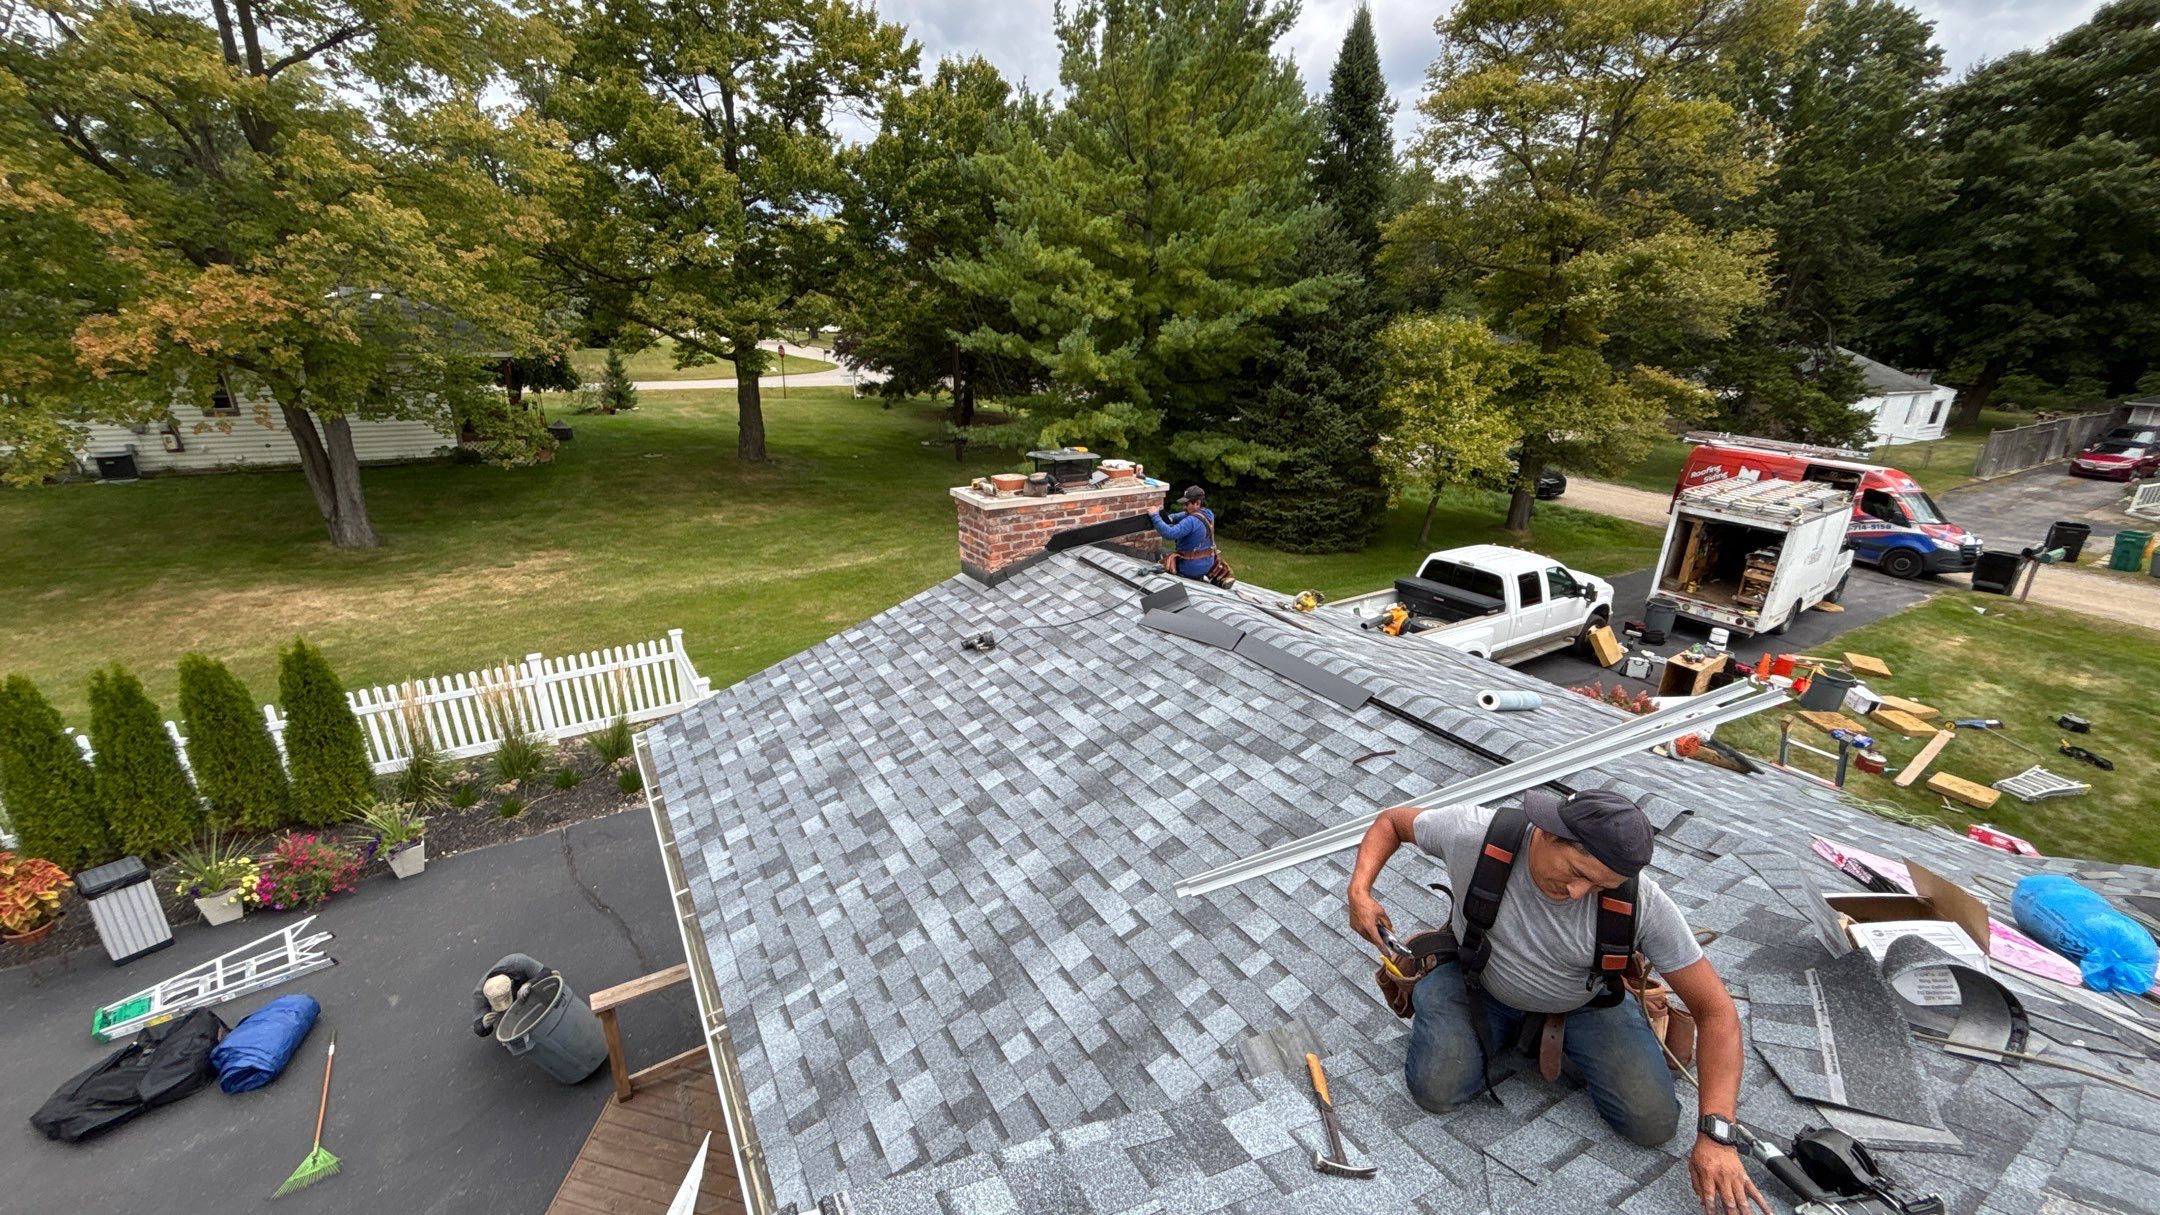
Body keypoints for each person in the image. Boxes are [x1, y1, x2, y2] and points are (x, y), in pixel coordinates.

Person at [1347, 789, 1770, 1215]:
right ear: (1547, 833)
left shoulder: (1644, 904)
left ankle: (1533, 1034)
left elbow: (1717, 1012)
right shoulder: (1475, 834)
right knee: (1437, 1090)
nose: (1576, 892)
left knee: (1654, 1125)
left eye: (1598, 885)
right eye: (1575, 872)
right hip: (1476, 981)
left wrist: (1717, 1135)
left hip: (1585, 1003)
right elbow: (1392, 822)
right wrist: (1360, 891)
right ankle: (1496, 1027)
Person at [470, 953, 555, 1037]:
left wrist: (529, 984)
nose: (504, 1005)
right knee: (505, 1028)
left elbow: (546, 971)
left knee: (553, 978)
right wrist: (484, 1025)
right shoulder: (479, 994)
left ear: (511, 982)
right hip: (505, 1012)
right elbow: (477, 1026)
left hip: (527, 988)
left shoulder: (518, 961)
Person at [1149, 485, 1224, 581]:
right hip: (1206, 565)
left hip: (1189, 568)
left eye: (1186, 504)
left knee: (1160, 552)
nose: (1184, 507)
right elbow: (1183, 515)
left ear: (1197, 503)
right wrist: (1170, 518)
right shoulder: (1208, 514)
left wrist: (1155, 516)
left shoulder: (1191, 521)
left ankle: (1186, 574)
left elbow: (1169, 533)